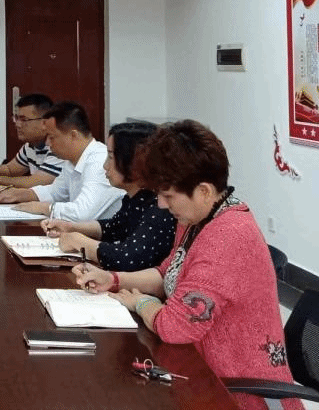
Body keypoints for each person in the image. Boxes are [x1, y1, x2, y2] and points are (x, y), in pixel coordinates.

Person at [74, 121, 302, 410]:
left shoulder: (226, 237)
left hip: (240, 394)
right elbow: (167, 272)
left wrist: (142, 303)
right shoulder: (199, 217)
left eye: (168, 196)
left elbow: (175, 327)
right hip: (201, 372)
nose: (160, 204)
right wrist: (114, 279)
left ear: (204, 190)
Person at [42, 121, 175, 270]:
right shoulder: (135, 198)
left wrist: (78, 241)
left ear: (136, 162)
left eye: (111, 157)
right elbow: (113, 228)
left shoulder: (160, 206)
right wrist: (71, 227)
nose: (105, 166)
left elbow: (128, 258)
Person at [0, 101, 123, 221]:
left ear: (73, 136)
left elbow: (82, 213)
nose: (47, 143)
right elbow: (55, 192)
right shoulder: (71, 161)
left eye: (52, 137)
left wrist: (44, 208)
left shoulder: (99, 161)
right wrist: (17, 194)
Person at [0, 93, 63, 189]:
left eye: (24, 120)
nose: (18, 125)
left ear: (44, 122)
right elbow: (10, 169)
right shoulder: (30, 146)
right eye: (17, 118)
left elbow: (36, 182)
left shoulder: (58, 147)